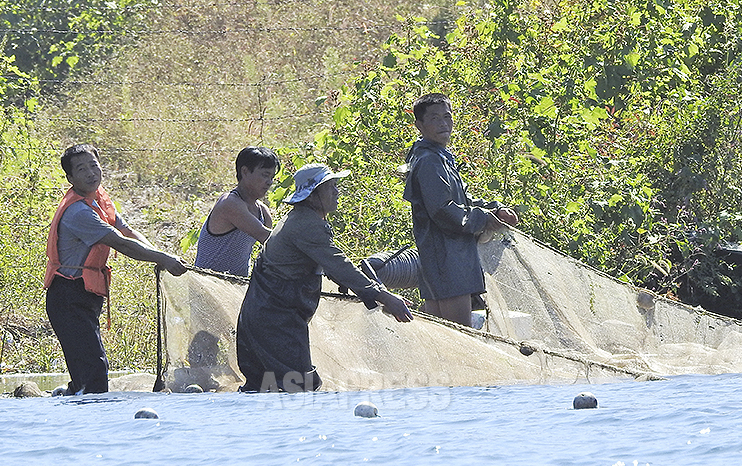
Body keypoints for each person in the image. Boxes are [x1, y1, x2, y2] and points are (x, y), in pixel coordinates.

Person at [236, 163, 413, 393]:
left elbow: (331, 265)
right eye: (330, 188)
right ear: (312, 196)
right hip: (275, 320)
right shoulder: (306, 225)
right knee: (301, 387)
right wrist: (384, 297)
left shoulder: (302, 219)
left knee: (262, 389)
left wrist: (373, 291)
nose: (336, 192)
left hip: (264, 316)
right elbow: (339, 265)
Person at [44, 144, 187, 395]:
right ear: (70, 178)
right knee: (94, 371)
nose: (90, 173)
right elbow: (119, 242)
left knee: (87, 372)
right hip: (68, 295)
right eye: (81, 169)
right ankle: (88, 424)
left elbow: (128, 232)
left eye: (93, 165)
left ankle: (77, 414)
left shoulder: (98, 199)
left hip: (84, 295)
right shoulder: (78, 212)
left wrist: (158, 257)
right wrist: (163, 258)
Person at [403, 93, 519, 327]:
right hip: (447, 259)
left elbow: (462, 199)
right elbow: (444, 211)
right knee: (459, 336)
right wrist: (484, 219)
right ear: (419, 125)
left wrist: (495, 208)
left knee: (441, 333)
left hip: (448, 257)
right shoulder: (429, 161)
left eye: (447, 117)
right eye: (435, 118)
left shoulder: (439, 156)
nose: (444, 123)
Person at [194, 147, 280, 277]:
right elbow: (266, 237)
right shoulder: (230, 203)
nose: (269, 182)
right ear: (245, 172)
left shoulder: (262, 211)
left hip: (235, 287)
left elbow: (272, 250)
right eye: (265, 175)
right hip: (207, 285)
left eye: (272, 177)